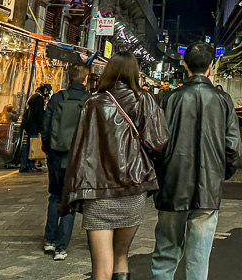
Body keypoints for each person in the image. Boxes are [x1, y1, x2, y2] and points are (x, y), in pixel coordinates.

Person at [61, 52, 169, 280]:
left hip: (97, 189)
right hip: (133, 186)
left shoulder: (92, 103)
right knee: (121, 255)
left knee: (101, 264)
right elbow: (159, 142)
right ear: (135, 72)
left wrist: (71, 192)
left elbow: (79, 150)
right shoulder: (145, 100)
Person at [151, 42, 240, 280]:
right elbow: (233, 147)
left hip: (172, 184)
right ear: (211, 67)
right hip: (208, 187)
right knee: (199, 258)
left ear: (184, 65)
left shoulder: (170, 99)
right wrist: (220, 172)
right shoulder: (223, 101)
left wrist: (161, 175)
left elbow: (156, 144)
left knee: (166, 253)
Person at [42, 63, 90, 261]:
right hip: (77, 158)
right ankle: (62, 247)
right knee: (70, 199)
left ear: (68, 78)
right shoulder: (89, 101)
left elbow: (46, 126)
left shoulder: (57, 98)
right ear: (86, 79)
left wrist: (48, 149)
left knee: (54, 196)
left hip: (55, 154)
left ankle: (49, 240)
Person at [20, 84, 52, 173]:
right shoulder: (38, 99)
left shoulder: (33, 97)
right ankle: (30, 164)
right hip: (34, 126)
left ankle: (24, 165)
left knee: (28, 145)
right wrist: (42, 126)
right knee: (32, 145)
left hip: (29, 125)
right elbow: (39, 114)